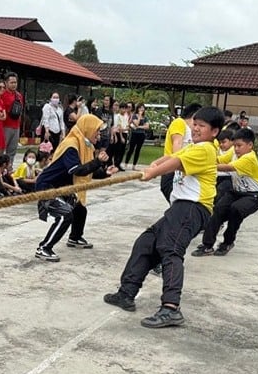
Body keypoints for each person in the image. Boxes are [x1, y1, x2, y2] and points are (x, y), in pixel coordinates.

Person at [103, 106, 224, 328]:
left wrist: (151, 173)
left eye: (202, 126)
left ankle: (171, 308)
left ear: (214, 131)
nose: (195, 129)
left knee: (170, 249)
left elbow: (177, 163)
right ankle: (126, 293)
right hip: (181, 206)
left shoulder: (206, 149)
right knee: (146, 243)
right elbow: (174, 155)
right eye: (194, 124)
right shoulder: (194, 147)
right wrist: (156, 163)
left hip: (193, 207)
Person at [34, 114, 119, 262]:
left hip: (64, 187)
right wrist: (97, 162)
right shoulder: (71, 145)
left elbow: (86, 172)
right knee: (65, 215)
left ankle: (74, 237)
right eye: (97, 131)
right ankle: (44, 248)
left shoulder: (84, 146)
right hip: (48, 186)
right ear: (88, 128)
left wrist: (105, 173)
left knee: (80, 208)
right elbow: (77, 170)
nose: (98, 134)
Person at [191, 128, 258, 257]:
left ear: (250, 145)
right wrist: (203, 157)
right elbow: (219, 160)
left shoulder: (249, 158)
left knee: (235, 210)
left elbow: (227, 167)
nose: (236, 149)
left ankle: (227, 242)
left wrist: (204, 166)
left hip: (254, 195)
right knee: (218, 210)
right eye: (235, 145)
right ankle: (207, 246)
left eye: (239, 146)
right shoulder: (234, 153)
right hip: (236, 192)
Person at [159, 103, 200, 201]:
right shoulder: (179, 122)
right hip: (172, 169)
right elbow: (177, 144)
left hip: (182, 169)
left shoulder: (192, 130)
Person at [1, 72, 24, 161]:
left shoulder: (19, 96)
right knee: (1, 149)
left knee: (12, 151)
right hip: (5, 126)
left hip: (16, 126)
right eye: (12, 82)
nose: (14, 84)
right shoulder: (2, 94)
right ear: (6, 83)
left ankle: (9, 169)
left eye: (15, 82)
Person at [125, 103, 149, 170]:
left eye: (143, 108)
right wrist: (139, 116)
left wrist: (139, 127)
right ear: (137, 108)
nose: (142, 109)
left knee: (138, 150)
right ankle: (126, 163)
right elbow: (136, 123)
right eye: (140, 107)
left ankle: (134, 165)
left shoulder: (145, 117)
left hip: (141, 135)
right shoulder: (134, 116)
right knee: (131, 149)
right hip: (134, 134)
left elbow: (147, 127)